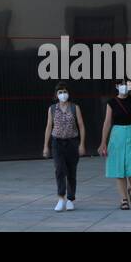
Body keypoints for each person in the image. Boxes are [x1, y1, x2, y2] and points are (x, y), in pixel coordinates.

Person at [98, 80, 131, 209]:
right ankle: (123, 199)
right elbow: (107, 123)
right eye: (121, 84)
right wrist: (103, 142)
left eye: (126, 84)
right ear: (117, 86)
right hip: (117, 135)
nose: (124, 87)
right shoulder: (111, 102)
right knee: (119, 169)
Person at [42, 82, 87, 211]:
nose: (63, 94)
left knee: (71, 172)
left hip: (72, 142)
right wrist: (46, 146)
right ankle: (61, 197)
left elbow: (81, 126)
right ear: (56, 95)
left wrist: (82, 144)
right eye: (60, 92)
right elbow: (49, 127)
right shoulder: (52, 109)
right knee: (59, 169)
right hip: (57, 143)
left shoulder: (74, 108)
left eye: (65, 92)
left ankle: (70, 199)